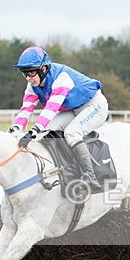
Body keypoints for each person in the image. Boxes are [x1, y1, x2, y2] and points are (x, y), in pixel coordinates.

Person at [10, 46, 108, 193]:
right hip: (73, 109)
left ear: (43, 69)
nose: (28, 78)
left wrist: (33, 130)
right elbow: (26, 108)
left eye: (31, 73)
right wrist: (16, 128)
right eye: (24, 74)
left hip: (94, 105)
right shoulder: (32, 85)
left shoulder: (62, 78)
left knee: (71, 132)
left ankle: (90, 175)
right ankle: (67, 167)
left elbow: (51, 108)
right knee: (48, 130)